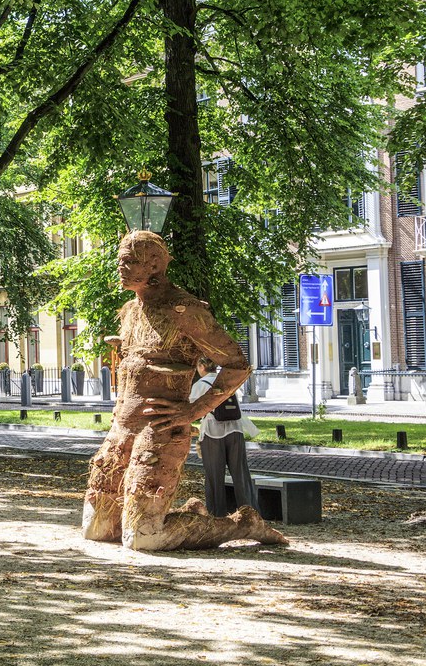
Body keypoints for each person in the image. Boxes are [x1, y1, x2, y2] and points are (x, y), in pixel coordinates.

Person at [82, 231, 286, 550]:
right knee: (98, 529)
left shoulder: (185, 310)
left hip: (159, 430)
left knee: (143, 539)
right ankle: (190, 513)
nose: (120, 268)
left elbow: (236, 364)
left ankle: (242, 524)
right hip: (121, 429)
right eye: (120, 261)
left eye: (129, 262)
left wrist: (193, 411)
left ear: (155, 265)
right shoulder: (130, 311)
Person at [192, 358, 260, 517]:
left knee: (214, 476)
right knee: (241, 474)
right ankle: (250, 513)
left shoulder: (201, 385)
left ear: (202, 366)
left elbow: (192, 408)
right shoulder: (227, 381)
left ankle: (217, 515)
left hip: (212, 431)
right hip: (236, 429)